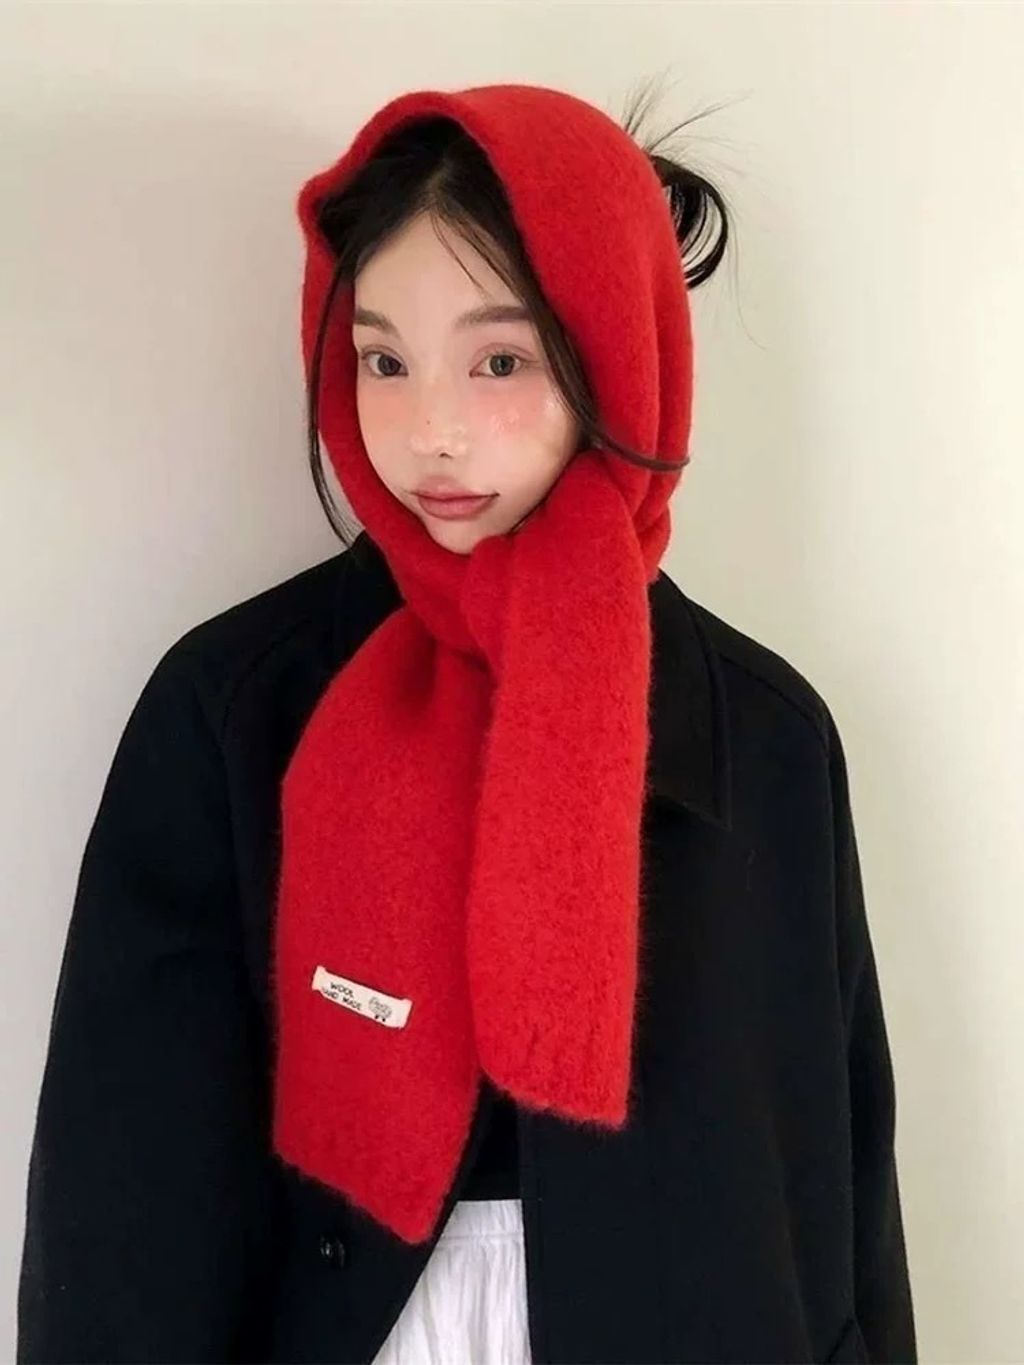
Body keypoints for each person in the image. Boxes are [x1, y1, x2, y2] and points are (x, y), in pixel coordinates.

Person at [16, 79, 916, 1365]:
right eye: (383, 359)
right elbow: (125, 1176)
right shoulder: (237, 704)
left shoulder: (760, 731)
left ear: (617, 358)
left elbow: (834, 1170)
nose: (430, 429)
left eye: (500, 360)